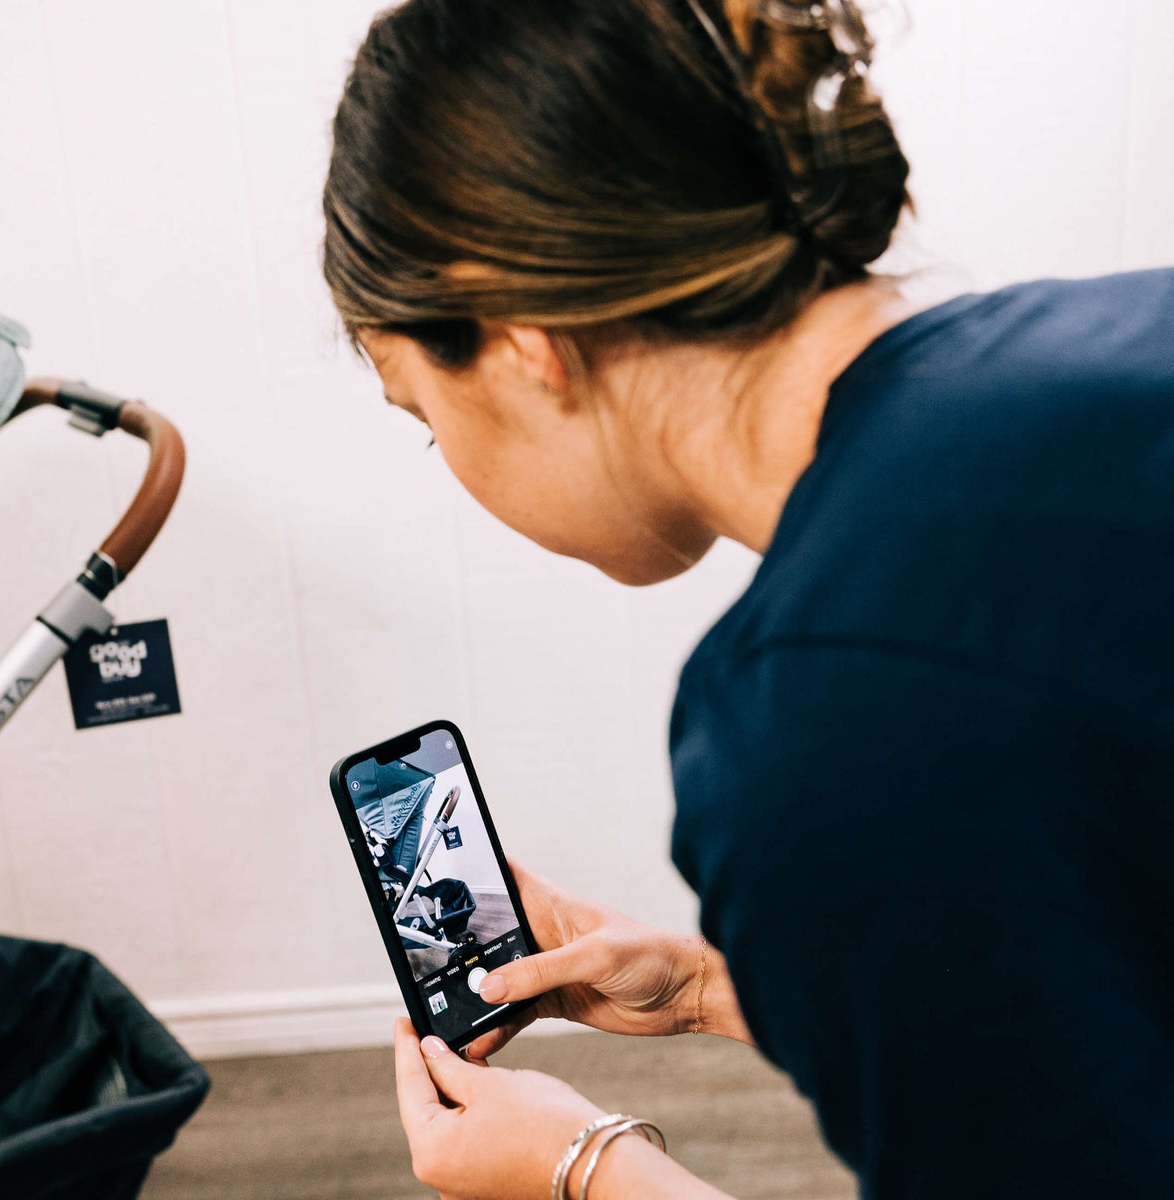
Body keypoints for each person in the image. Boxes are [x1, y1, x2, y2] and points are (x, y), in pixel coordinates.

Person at [321, 0, 1174, 1196]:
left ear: (520, 341)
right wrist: (718, 986)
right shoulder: (1124, 325)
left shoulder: (825, 712)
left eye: (425, 418)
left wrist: (585, 1166)